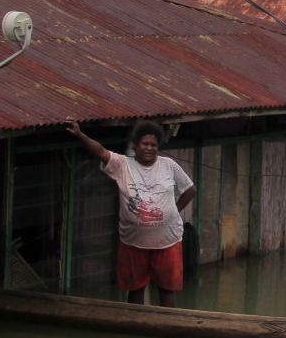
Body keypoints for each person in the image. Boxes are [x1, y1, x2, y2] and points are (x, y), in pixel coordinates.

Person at [67, 119, 195, 307]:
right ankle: (136, 324)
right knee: (135, 289)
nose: (149, 148)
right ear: (136, 145)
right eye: (145, 144)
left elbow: (190, 190)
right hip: (133, 242)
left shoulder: (169, 165)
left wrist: (173, 211)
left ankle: (167, 325)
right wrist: (79, 134)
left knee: (167, 289)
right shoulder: (122, 164)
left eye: (153, 145)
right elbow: (100, 151)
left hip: (168, 241)